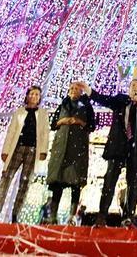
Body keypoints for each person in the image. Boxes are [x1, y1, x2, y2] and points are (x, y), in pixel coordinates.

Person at [87, 78, 137, 226]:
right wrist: (89, 91)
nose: (135, 88)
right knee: (110, 181)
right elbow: (103, 99)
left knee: (133, 184)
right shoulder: (120, 100)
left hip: (135, 151)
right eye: (133, 85)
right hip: (118, 148)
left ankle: (128, 215)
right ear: (129, 88)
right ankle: (102, 215)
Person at [0, 85, 49, 223]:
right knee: (5, 180)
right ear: (27, 96)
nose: (34, 97)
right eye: (32, 94)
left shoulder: (42, 114)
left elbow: (44, 133)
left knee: (25, 184)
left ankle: (15, 215)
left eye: (37, 94)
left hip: (32, 150)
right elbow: (11, 131)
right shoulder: (19, 112)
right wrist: (5, 150)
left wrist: (43, 151)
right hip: (17, 148)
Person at [44, 81, 95, 224]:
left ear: (81, 92)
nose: (73, 90)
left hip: (78, 147)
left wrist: (79, 121)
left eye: (76, 89)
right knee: (57, 182)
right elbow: (53, 123)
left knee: (75, 182)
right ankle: (52, 216)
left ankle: (72, 216)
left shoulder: (86, 106)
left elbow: (92, 125)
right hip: (61, 147)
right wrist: (63, 121)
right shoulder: (63, 105)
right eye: (71, 88)